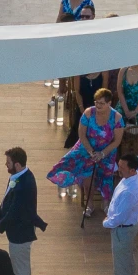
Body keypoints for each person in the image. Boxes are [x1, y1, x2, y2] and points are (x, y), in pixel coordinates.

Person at [48, 86, 124, 217]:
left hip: (107, 151)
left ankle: (106, 203)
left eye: (101, 103)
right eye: (96, 102)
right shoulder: (89, 113)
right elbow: (82, 135)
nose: (98, 105)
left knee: (107, 177)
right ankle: (89, 204)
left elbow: (117, 141)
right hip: (87, 148)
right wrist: (91, 152)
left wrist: (102, 154)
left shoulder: (117, 118)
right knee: (88, 177)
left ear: (109, 103)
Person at [0, 146, 46, 275]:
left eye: (7, 162)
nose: (5, 164)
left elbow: (14, 211)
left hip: (21, 230)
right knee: (21, 264)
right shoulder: (18, 177)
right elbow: (7, 200)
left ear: (16, 164)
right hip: (19, 229)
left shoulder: (24, 184)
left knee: (20, 266)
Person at [101, 154, 138, 275]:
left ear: (132, 169)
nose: (119, 169)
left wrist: (106, 222)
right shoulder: (136, 179)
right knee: (128, 261)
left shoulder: (130, 191)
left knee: (122, 270)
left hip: (122, 230)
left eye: (122, 167)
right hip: (128, 228)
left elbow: (120, 217)